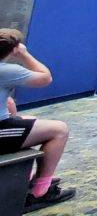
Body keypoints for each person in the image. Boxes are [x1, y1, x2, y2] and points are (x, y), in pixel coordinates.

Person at [0, 29, 75, 212]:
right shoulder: (7, 70)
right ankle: (39, 192)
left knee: (29, 119)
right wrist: (24, 55)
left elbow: (8, 102)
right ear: (13, 49)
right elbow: (45, 77)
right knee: (59, 130)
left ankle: (30, 178)